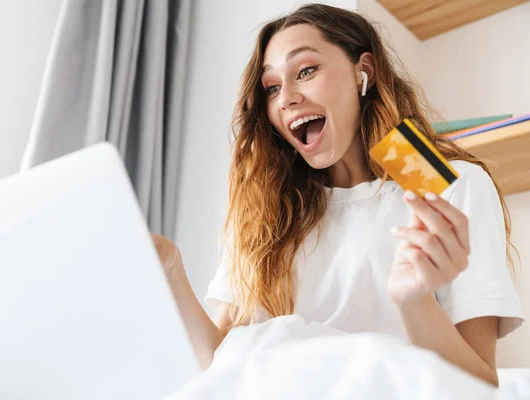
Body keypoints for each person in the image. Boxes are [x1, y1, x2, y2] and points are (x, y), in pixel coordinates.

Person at [151, 3, 524, 387]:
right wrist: (171, 269)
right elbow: (221, 363)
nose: (286, 98)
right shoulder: (268, 206)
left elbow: (480, 384)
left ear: (364, 71)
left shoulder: (445, 180)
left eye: (306, 71)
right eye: (272, 87)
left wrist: (414, 300)